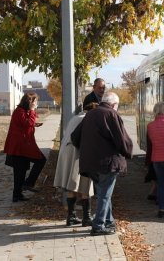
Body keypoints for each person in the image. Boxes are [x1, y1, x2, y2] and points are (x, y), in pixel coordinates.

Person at [79, 92, 133, 236]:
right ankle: (98, 225)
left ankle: (109, 222)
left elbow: (75, 137)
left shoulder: (90, 114)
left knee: (104, 192)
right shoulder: (111, 114)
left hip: (90, 162)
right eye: (117, 106)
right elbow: (122, 139)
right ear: (114, 104)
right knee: (104, 194)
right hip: (107, 162)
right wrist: (128, 152)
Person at [54, 102, 98, 227]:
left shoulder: (75, 118)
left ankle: (71, 216)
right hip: (77, 153)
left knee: (70, 185)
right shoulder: (87, 119)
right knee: (85, 184)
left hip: (65, 152)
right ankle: (87, 218)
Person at [4, 92, 47, 202]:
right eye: (35, 101)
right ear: (30, 102)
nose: (36, 104)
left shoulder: (23, 111)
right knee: (40, 160)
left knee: (20, 170)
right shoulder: (19, 111)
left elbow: (26, 123)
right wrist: (32, 111)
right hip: (20, 146)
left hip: (23, 145)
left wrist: (34, 123)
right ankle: (28, 184)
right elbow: (26, 123)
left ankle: (17, 194)